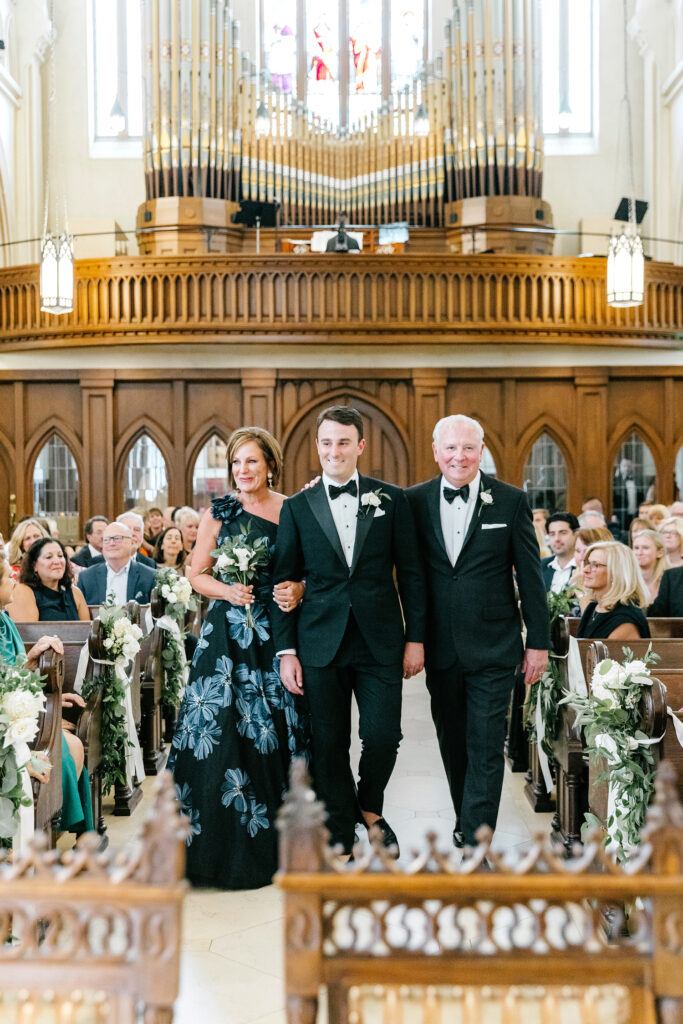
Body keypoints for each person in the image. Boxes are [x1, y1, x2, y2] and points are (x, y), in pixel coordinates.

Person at [272, 406, 425, 859]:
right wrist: (287, 651)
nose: (333, 451)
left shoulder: (392, 499)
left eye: (343, 442)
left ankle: (369, 808)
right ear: (317, 447)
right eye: (326, 442)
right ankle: (340, 827)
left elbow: (412, 574)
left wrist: (415, 638)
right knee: (329, 740)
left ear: (360, 446)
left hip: (380, 638)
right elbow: (283, 579)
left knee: (382, 737)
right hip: (320, 639)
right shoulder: (297, 507)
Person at [168, 426, 307, 889]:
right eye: (236, 463)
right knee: (220, 728)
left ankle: (277, 842)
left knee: (272, 725)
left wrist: (298, 588)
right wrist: (227, 590)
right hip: (226, 635)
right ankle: (209, 850)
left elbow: (308, 568)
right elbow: (195, 574)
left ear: (270, 464)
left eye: (251, 461)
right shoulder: (219, 513)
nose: (243, 471)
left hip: (276, 632)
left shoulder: (293, 509)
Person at [406, 414, 549, 851]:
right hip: (441, 646)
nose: (459, 456)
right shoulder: (413, 502)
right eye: (450, 448)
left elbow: (531, 576)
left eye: (468, 447)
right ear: (436, 452)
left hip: (495, 645)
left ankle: (475, 840)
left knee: (486, 746)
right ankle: (466, 820)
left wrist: (538, 642)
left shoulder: (510, 501)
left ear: (481, 451)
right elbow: (409, 575)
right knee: (454, 745)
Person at [0, 552, 93, 833]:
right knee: (67, 747)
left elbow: (16, 676)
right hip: (8, 723)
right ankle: (42, 834)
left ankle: (48, 831)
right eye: (7, 576)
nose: (13, 580)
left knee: (71, 744)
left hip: (17, 713)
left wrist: (49, 699)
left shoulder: (5, 622)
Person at [578, 541, 650, 639]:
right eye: (588, 563)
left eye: (595, 565)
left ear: (615, 572)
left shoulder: (625, 620)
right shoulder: (593, 607)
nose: (585, 570)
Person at [9, 538, 90, 623]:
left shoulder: (75, 593)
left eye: (60, 556)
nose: (57, 561)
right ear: (34, 565)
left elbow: (86, 631)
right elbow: (26, 634)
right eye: (48, 557)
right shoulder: (22, 592)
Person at [76, 522, 157, 606]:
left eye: (117, 538)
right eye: (106, 539)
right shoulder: (86, 577)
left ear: (131, 542)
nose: (111, 543)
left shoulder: (150, 576)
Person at [541, 512, 579, 592]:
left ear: (576, 535)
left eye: (563, 533)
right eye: (552, 534)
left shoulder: (585, 568)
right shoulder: (540, 566)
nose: (557, 539)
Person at [632, 529, 669, 603]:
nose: (639, 552)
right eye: (636, 548)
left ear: (660, 553)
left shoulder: (670, 581)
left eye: (645, 548)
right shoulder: (626, 582)